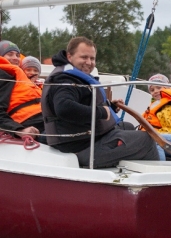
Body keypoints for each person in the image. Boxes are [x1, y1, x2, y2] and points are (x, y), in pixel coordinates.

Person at [42, 36, 159, 168]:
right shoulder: (66, 80)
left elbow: (83, 103)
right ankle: (157, 176)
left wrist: (110, 107)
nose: (89, 62)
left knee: (127, 126)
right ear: (69, 56)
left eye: (92, 58)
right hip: (80, 147)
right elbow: (64, 108)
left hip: (86, 139)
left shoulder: (72, 77)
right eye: (84, 57)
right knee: (146, 141)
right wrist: (102, 112)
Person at [0, 40, 43, 137]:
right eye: (10, 54)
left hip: (40, 119)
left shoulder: (12, 75)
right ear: (0, 56)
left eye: (17, 55)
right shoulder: (3, 74)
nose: (15, 58)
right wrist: (19, 130)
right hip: (35, 122)